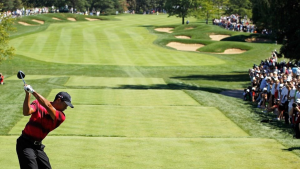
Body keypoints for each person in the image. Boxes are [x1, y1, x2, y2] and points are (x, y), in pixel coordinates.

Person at [17, 84, 74, 168]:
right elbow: (26, 112)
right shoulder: (38, 103)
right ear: (58, 100)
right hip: (25, 144)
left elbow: (48, 106)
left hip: (38, 146)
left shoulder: (61, 116)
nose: (66, 107)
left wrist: (32, 91)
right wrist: (28, 94)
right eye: (65, 104)